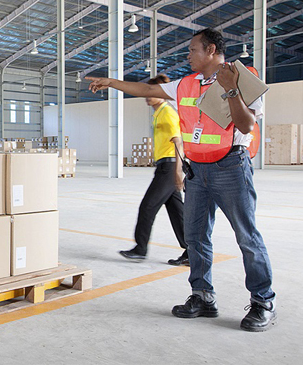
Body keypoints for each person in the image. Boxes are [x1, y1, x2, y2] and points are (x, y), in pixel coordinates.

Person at [87, 28, 276, 332]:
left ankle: (263, 301)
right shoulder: (186, 84)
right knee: (196, 237)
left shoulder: (243, 78)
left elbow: (246, 125)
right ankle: (202, 296)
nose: (188, 56)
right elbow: (146, 89)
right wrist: (112, 82)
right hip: (197, 170)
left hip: (231, 166)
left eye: (192, 50)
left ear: (211, 50)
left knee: (246, 236)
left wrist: (230, 90)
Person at [119, 74, 188, 266]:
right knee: (177, 212)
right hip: (164, 166)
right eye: (147, 93)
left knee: (148, 207)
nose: (148, 96)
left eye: (152, 92)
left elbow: (178, 142)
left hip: (169, 167)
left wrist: (178, 172)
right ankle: (192, 250)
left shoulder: (167, 113)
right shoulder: (158, 113)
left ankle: (140, 249)